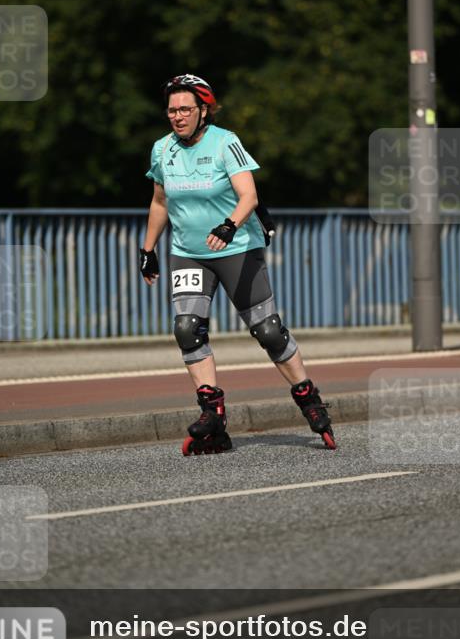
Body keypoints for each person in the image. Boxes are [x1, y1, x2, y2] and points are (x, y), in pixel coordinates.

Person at [140, 73, 336, 455]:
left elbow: (249, 195)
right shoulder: (162, 150)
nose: (177, 116)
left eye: (185, 109)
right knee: (187, 328)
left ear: (203, 110)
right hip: (188, 251)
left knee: (268, 331)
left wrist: (230, 226)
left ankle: (308, 398)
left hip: (237, 249)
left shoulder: (225, 142)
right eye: (171, 110)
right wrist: (148, 249)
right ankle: (212, 415)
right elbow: (160, 202)